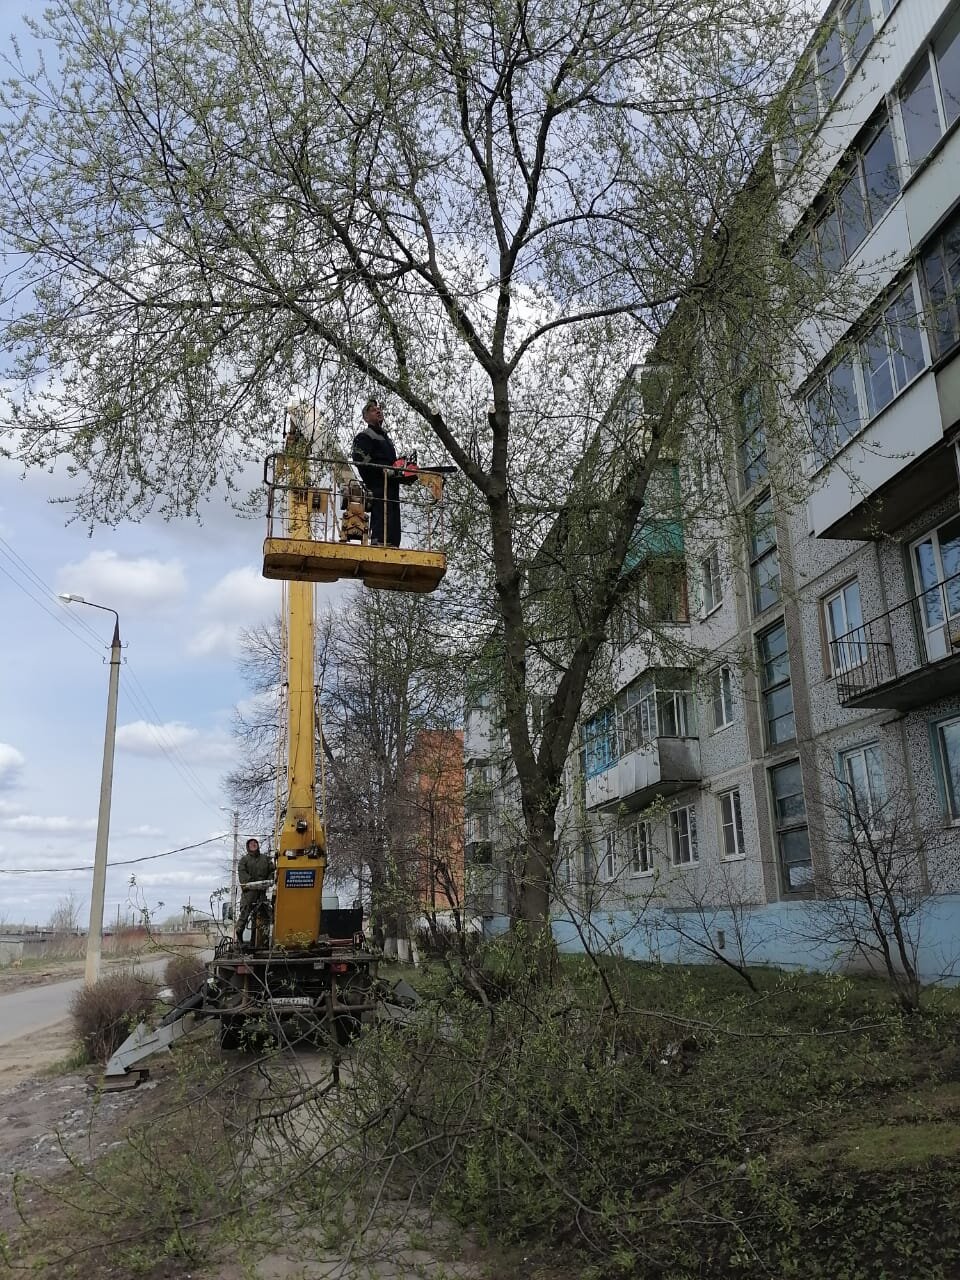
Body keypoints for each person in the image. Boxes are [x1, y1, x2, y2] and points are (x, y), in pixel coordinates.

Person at [352, 397, 403, 547]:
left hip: (391, 483)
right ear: (366, 417)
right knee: (381, 510)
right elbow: (360, 458)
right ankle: (379, 541)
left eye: (379, 409)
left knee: (393, 511)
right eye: (374, 410)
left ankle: (393, 543)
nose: (378, 411)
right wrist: (381, 471)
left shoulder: (386, 439)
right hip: (378, 484)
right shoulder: (364, 436)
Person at [235, 837, 274, 945]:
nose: (254, 845)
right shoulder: (244, 860)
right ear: (248, 847)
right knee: (245, 912)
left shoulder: (265, 859)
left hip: (262, 892)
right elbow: (242, 875)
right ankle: (239, 936)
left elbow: (272, 870)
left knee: (264, 914)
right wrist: (252, 883)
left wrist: (268, 880)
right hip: (249, 892)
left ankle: (261, 940)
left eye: (255, 843)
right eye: (251, 844)